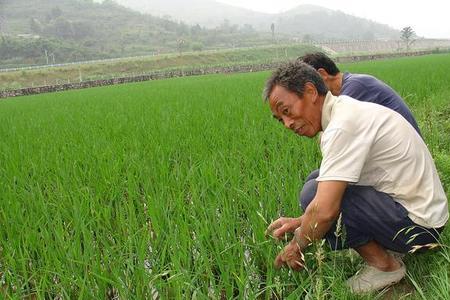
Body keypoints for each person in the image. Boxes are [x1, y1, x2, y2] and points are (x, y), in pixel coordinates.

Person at [263, 61, 448, 294]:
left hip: (420, 229)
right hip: (421, 212)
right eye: (281, 119)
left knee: (314, 194)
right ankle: (384, 246)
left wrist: (296, 245)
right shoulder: (344, 110)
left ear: (310, 92)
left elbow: (325, 210)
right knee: (317, 180)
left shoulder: (343, 126)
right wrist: (302, 221)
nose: (288, 124)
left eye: (287, 111)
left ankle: (386, 266)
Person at [299, 52, 421, 136]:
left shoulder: (354, 89)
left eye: (308, 89)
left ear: (322, 75)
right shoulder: (354, 83)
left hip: (403, 156)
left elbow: (336, 134)